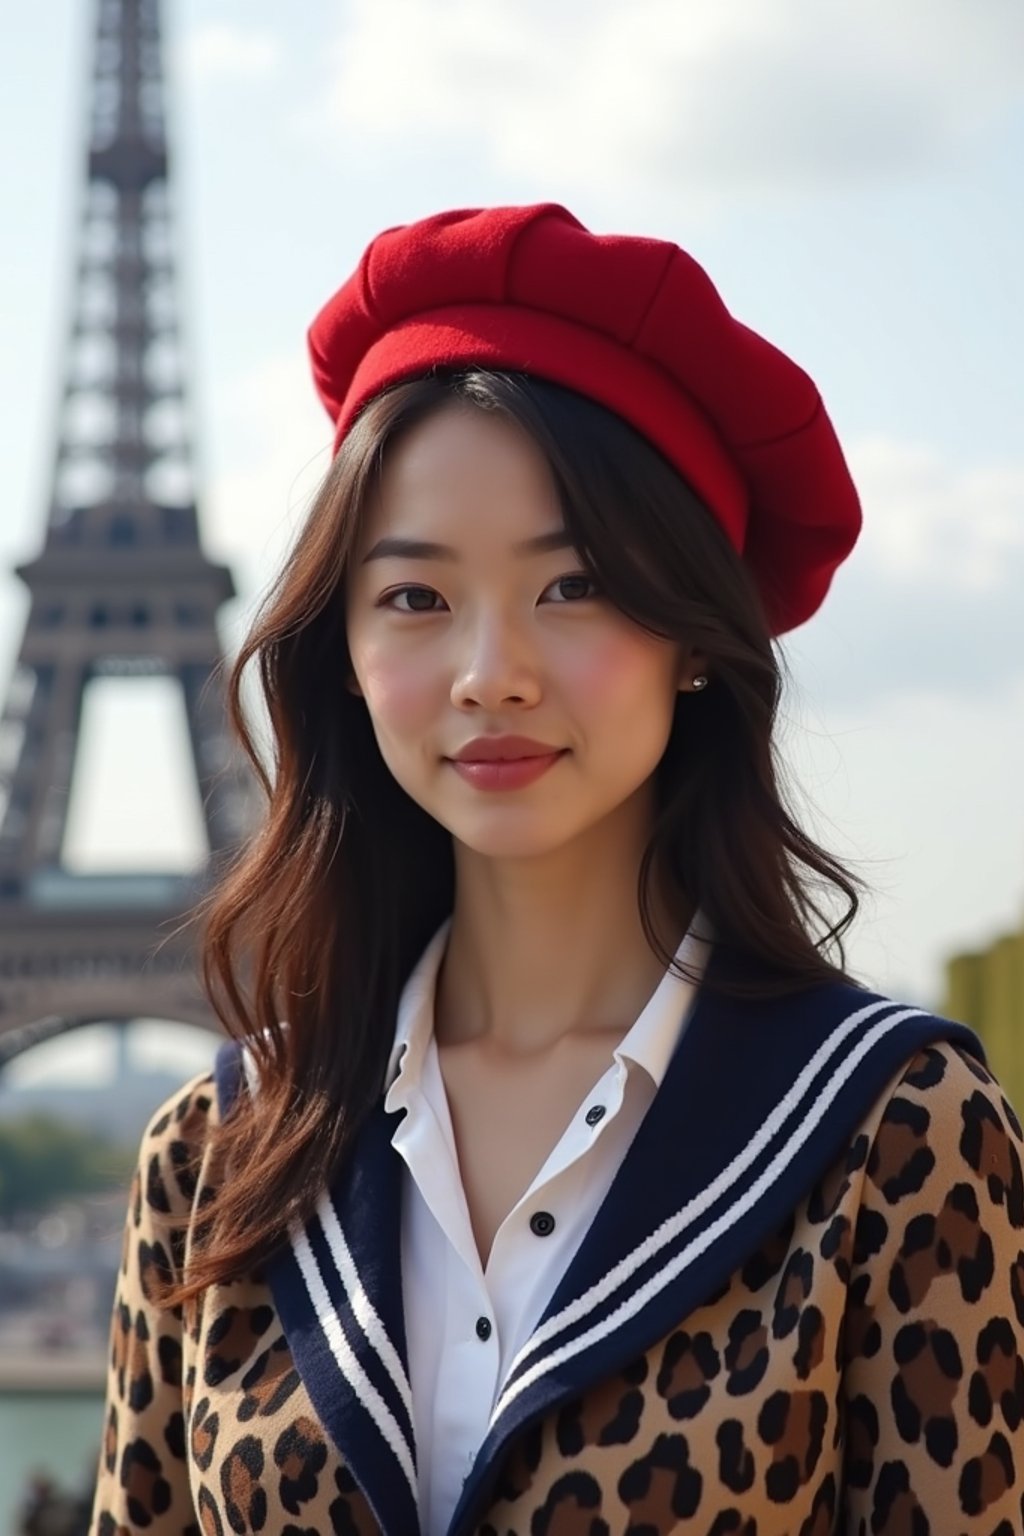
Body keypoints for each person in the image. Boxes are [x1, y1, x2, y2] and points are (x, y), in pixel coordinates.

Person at [87, 203, 1024, 1535]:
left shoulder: (892, 1131)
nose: (491, 675)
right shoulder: (213, 1154)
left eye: (573, 586)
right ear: (341, 658)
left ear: (694, 636)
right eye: (415, 597)